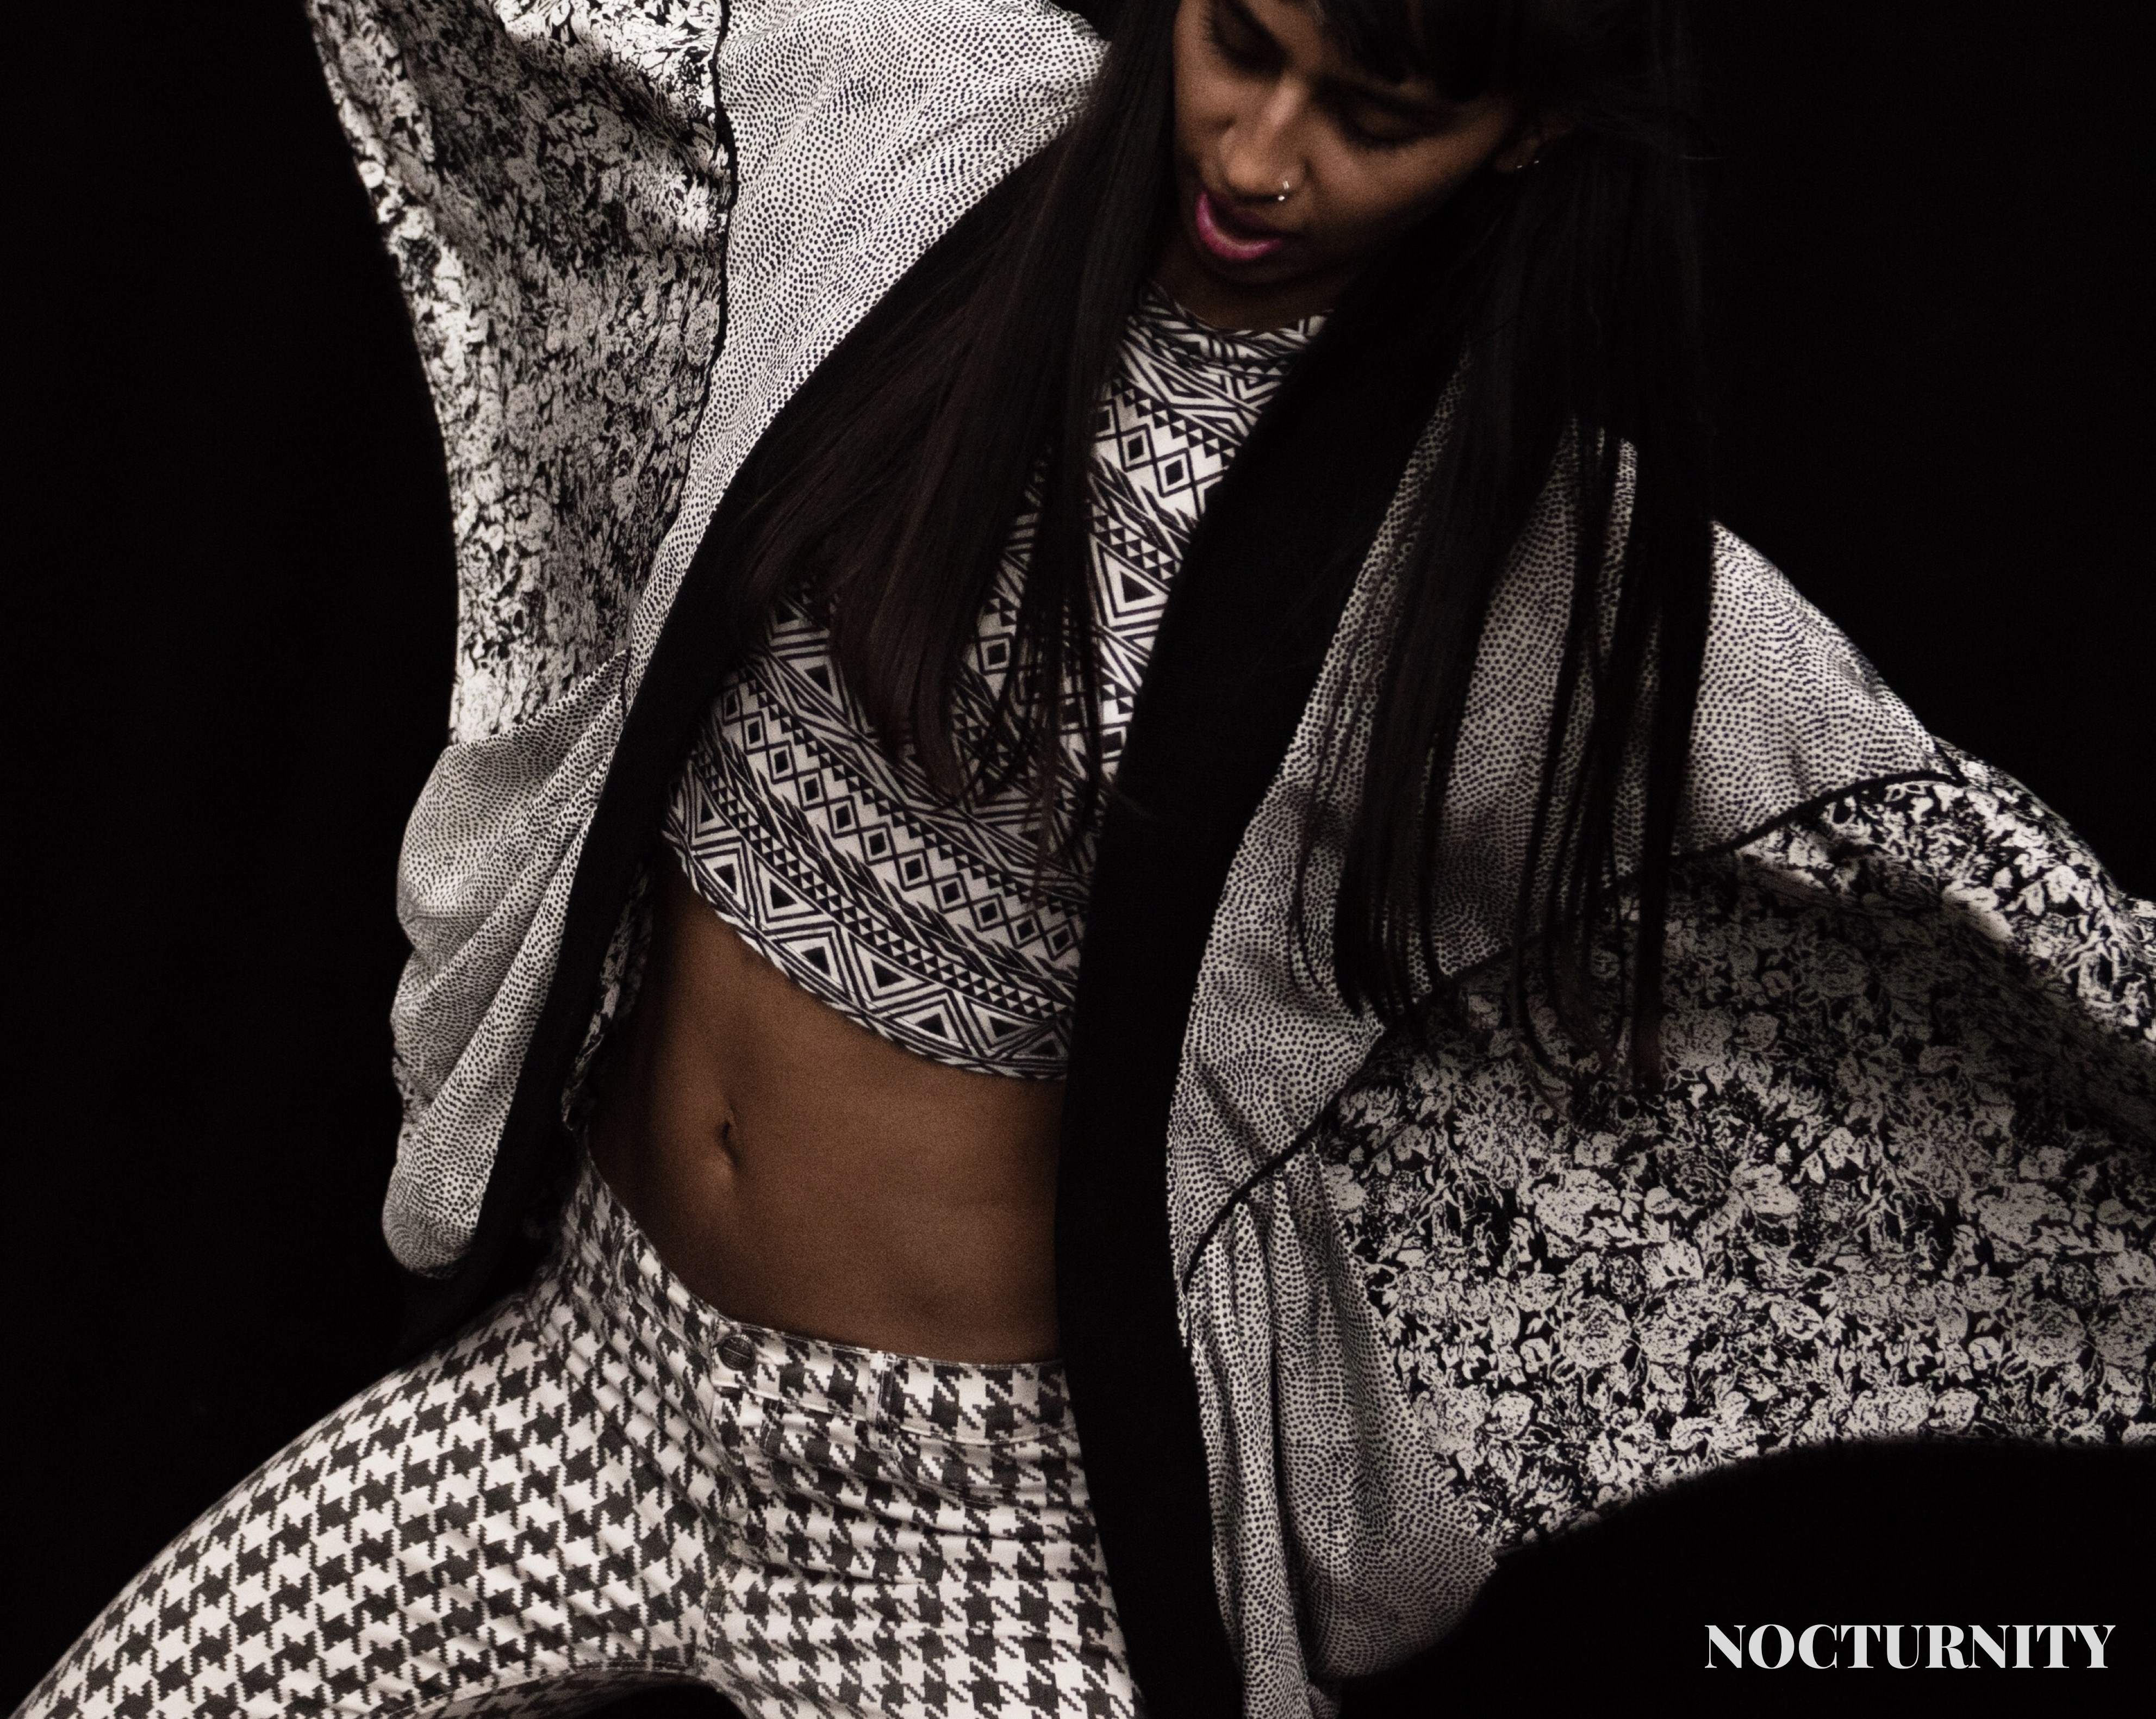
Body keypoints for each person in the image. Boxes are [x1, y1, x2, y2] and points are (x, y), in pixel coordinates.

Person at [22, 0, 2153, 1715]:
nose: (1260, 153)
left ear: (1518, 135)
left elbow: (1936, 884)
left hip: (963, 1516)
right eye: (1242, 42)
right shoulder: (898, 108)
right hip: (586, 1365)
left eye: (1375, 115)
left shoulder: (1523, 556)